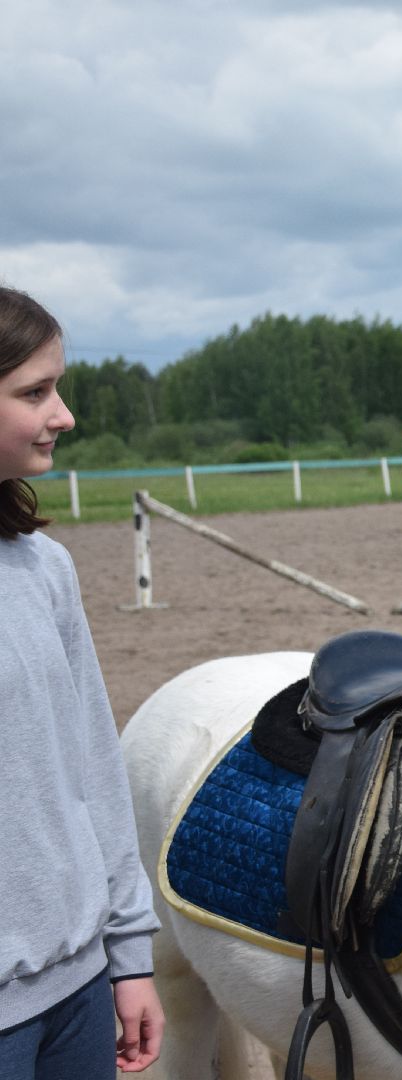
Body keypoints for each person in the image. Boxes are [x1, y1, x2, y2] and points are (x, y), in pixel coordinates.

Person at [0, 286, 165, 1077]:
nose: (63, 415)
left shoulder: (45, 569)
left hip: (78, 991)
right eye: (35, 392)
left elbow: (93, 766)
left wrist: (128, 954)